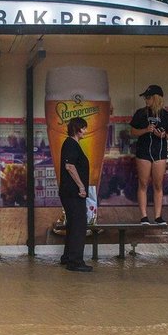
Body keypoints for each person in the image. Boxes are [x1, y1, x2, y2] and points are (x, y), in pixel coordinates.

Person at [129, 84, 168, 225]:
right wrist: (146, 130)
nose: (146, 100)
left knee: (158, 184)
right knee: (143, 183)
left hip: (160, 152)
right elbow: (133, 132)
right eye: (145, 97)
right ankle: (143, 217)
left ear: (156, 98)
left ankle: (158, 217)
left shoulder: (166, 115)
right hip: (143, 152)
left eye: (148, 97)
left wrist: (163, 135)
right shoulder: (140, 113)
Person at [59, 116, 93, 272]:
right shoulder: (71, 144)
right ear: (78, 129)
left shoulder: (71, 144)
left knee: (73, 225)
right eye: (84, 128)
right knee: (79, 225)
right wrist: (81, 187)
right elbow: (70, 166)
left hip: (69, 192)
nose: (86, 131)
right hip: (73, 193)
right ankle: (75, 261)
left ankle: (67, 257)